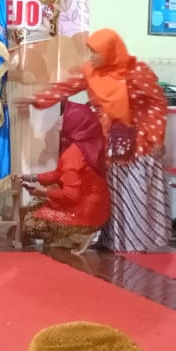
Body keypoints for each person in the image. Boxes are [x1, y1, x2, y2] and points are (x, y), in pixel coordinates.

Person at [32, 28, 170, 252]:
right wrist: (37, 99)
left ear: (110, 50)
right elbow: (65, 88)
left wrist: (155, 137)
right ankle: (113, 241)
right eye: (90, 51)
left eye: (96, 52)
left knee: (134, 193)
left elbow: (156, 105)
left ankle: (139, 243)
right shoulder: (91, 72)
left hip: (138, 144)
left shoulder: (137, 73)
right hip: (106, 142)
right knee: (111, 192)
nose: (92, 57)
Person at [19, 102, 111, 253]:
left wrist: (42, 192)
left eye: (65, 117)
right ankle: (70, 236)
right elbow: (59, 173)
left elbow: (70, 195)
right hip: (96, 208)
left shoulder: (73, 154)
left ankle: (79, 235)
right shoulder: (85, 145)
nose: (60, 119)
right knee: (37, 204)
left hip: (85, 213)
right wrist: (31, 178)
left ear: (76, 124)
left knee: (31, 222)